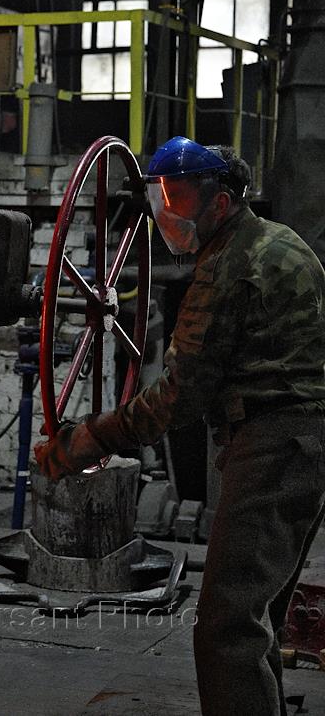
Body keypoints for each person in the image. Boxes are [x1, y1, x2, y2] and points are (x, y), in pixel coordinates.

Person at [35, 137, 325, 716]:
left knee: (226, 624)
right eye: (162, 196)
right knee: (258, 612)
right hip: (305, 442)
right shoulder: (283, 242)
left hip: (274, 447)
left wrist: (89, 437)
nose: (167, 211)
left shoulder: (227, 269)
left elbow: (177, 399)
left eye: (180, 197)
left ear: (220, 201)